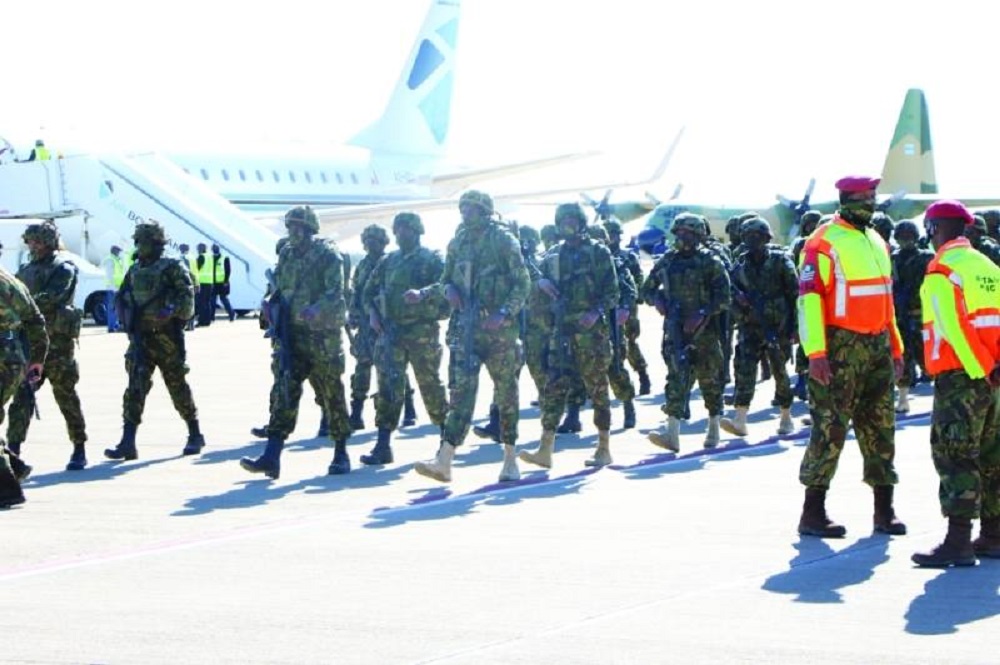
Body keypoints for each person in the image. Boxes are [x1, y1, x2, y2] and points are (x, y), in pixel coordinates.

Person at [796, 176, 906, 538]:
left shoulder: (876, 240)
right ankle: (813, 511)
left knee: (881, 426)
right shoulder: (822, 242)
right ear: (844, 201)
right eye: (862, 198)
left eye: (872, 197)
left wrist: (896, 346)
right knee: (830, 427)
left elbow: (886, 299)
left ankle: (884, 511)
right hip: (840, 346)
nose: (870, 204)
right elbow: (809, 300)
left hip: (877, 345)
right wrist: (816, 353)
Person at [407, 190, 529, 483]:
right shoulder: (458, 241)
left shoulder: (502, 240)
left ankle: (510, 459)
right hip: (466, 330)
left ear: (484, 211)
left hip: (499, 333)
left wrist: (504, 313)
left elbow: (523, 282)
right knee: (460, 395)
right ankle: (444, 461)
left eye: (471, 208)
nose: (465, 213)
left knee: (506, 394)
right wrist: (436, 291)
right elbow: (446, 280)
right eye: (463, 208)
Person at [911, 201, 1000, 568]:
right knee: (992, 454)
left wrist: (982, 368)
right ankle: (993, 534)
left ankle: (958, 541)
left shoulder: (942, 270)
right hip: (994, 378)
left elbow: (953, 327)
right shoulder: (987, 266)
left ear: (935, 229)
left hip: (963, 375)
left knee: (954, 453)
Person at [240, 206, 352, 479]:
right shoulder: (287, 254)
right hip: (292, 335)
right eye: (290, 227)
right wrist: (269, 305)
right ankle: (271, 456)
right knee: (284, 392)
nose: (293, 232)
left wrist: (317, 308)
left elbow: (336, 293)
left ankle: (340, 452)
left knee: (332, 393)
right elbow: (279, 287)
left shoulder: (327, 256)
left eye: (298, 227)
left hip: (322, 336)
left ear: (310, 229)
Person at [519, 206, 623, 469]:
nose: (567, 226)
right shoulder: (554, 255)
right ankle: (545, 448)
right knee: (553, 388)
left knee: (597, 388)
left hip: (591, 335)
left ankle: (603, 446)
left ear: (581, 223)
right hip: (561, 333)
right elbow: (532, 275)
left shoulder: (598, 252)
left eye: (572, 221)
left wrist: (595, 312)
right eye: (563, 221)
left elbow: (612, 292)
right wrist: (540, 282)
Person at [104, 220, 206, 460]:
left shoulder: (172, 267)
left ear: (156, 243)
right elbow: (123, 296)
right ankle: (128, 441)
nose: (138, 246)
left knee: (177, 386)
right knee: (135, 389)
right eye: (137, 241)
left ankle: (194, 433)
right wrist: (126, 317)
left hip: (167, 338)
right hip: (140, 338)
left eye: (142, 242)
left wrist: (171, 311)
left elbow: (187, 299)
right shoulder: (135, 269)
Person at [360, 212, 448, 464]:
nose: (400, 233)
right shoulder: (389, 261)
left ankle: (446, 443)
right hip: (392, 332)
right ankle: (382, 446)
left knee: (430, 385)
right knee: (388, 388)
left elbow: (446, 286)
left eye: (405, 229)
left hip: (422, 332)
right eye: (397, 229)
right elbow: (368, 291)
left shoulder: (432, 259)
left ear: (417, 231)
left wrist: (423, 294)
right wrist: (372, 315)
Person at [641, 213, 731, 452]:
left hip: (705, 333)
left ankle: (713, 427)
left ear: (698, 235)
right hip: (675, 329)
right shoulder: (668, 260)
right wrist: (657, 299)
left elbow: (724, 297)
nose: (682, 237)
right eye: (679, 233)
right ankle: (672, 434)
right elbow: (646, 289)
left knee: (709, 380)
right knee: (676, 378)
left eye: (687, 233)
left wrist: (702, 312)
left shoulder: (710, 261)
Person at [6, 221, 88, 471]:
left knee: (66, 396)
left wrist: (22, 305)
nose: (33, 246)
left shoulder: (63, 268)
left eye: (37, 241)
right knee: (22, 398)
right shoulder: (26, 270)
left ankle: (79, 446)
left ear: (49, 242)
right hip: (31, 344)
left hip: (58, 345)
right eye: (30, 241)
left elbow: (53, 297)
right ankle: (13, 451)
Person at [720, 218, 798, 437]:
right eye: (748, 236)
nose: (753, 240)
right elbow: (729, 291)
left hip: (778, 326)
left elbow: (795, 294)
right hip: (750, 326)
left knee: (780, 371)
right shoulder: (740, 265)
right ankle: (740, 418)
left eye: (757, 236)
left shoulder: (780, 261)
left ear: (766, 238)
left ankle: (786, 416)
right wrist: (740, 304)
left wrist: (795, 327)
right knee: (744, 370)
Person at [0, 265, 48, 508]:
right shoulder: (11, 280)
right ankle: (15, 466)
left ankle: (7, 490)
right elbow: (35, 320)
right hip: (15, 359)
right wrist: (37, 359)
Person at [347, 224, 389, 430]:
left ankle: (403, 409)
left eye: (375, 240)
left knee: (389, 369)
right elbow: (356, 291)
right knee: (362, 367)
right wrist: (353, 314)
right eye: (367, 240)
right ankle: (356, 413)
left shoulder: (390, 263)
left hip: (386, 325)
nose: (371, 244)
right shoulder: (363, 265)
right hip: (365, 325)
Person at [890, 220, 934, 412]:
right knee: (903, 357)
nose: (905, 241)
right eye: (902, 238)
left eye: (909, 237)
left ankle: (938, 394)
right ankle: (903, 399)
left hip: (922, 315)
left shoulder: (926, 258)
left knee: (928, 357)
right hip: (901, 316)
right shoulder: (893, 259)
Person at [101, 245, 126, 332]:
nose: (120, 253)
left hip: (117, 287)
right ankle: (111, 327)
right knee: (112, 307)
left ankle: (115, 325)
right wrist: (114, 287)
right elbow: (109, 275)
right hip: (112, 288)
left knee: (116, 307)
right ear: (115, 251)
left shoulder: (116, 260)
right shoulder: (110, 260)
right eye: (119, 251)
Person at [210, 244, 235, 321]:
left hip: (223, 283)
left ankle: (231, 315)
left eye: (216, 248)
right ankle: (212, 317)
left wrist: (226, 280)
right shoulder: (210, 258)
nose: (214, 249)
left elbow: (228, 270)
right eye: (213, 248)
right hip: (213, 283)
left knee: (224, 300)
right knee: (212, 301)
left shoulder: (225, 258)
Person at [194, 243, 214, 326]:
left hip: (202, 282)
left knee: (201, 303)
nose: (197, 250)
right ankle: (207, 321)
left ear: (201, 249)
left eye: (198, 248)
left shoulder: (201, 256)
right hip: (209, 282)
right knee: (207, 302)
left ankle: (202, 321)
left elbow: (196, 268)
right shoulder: (209, 256)